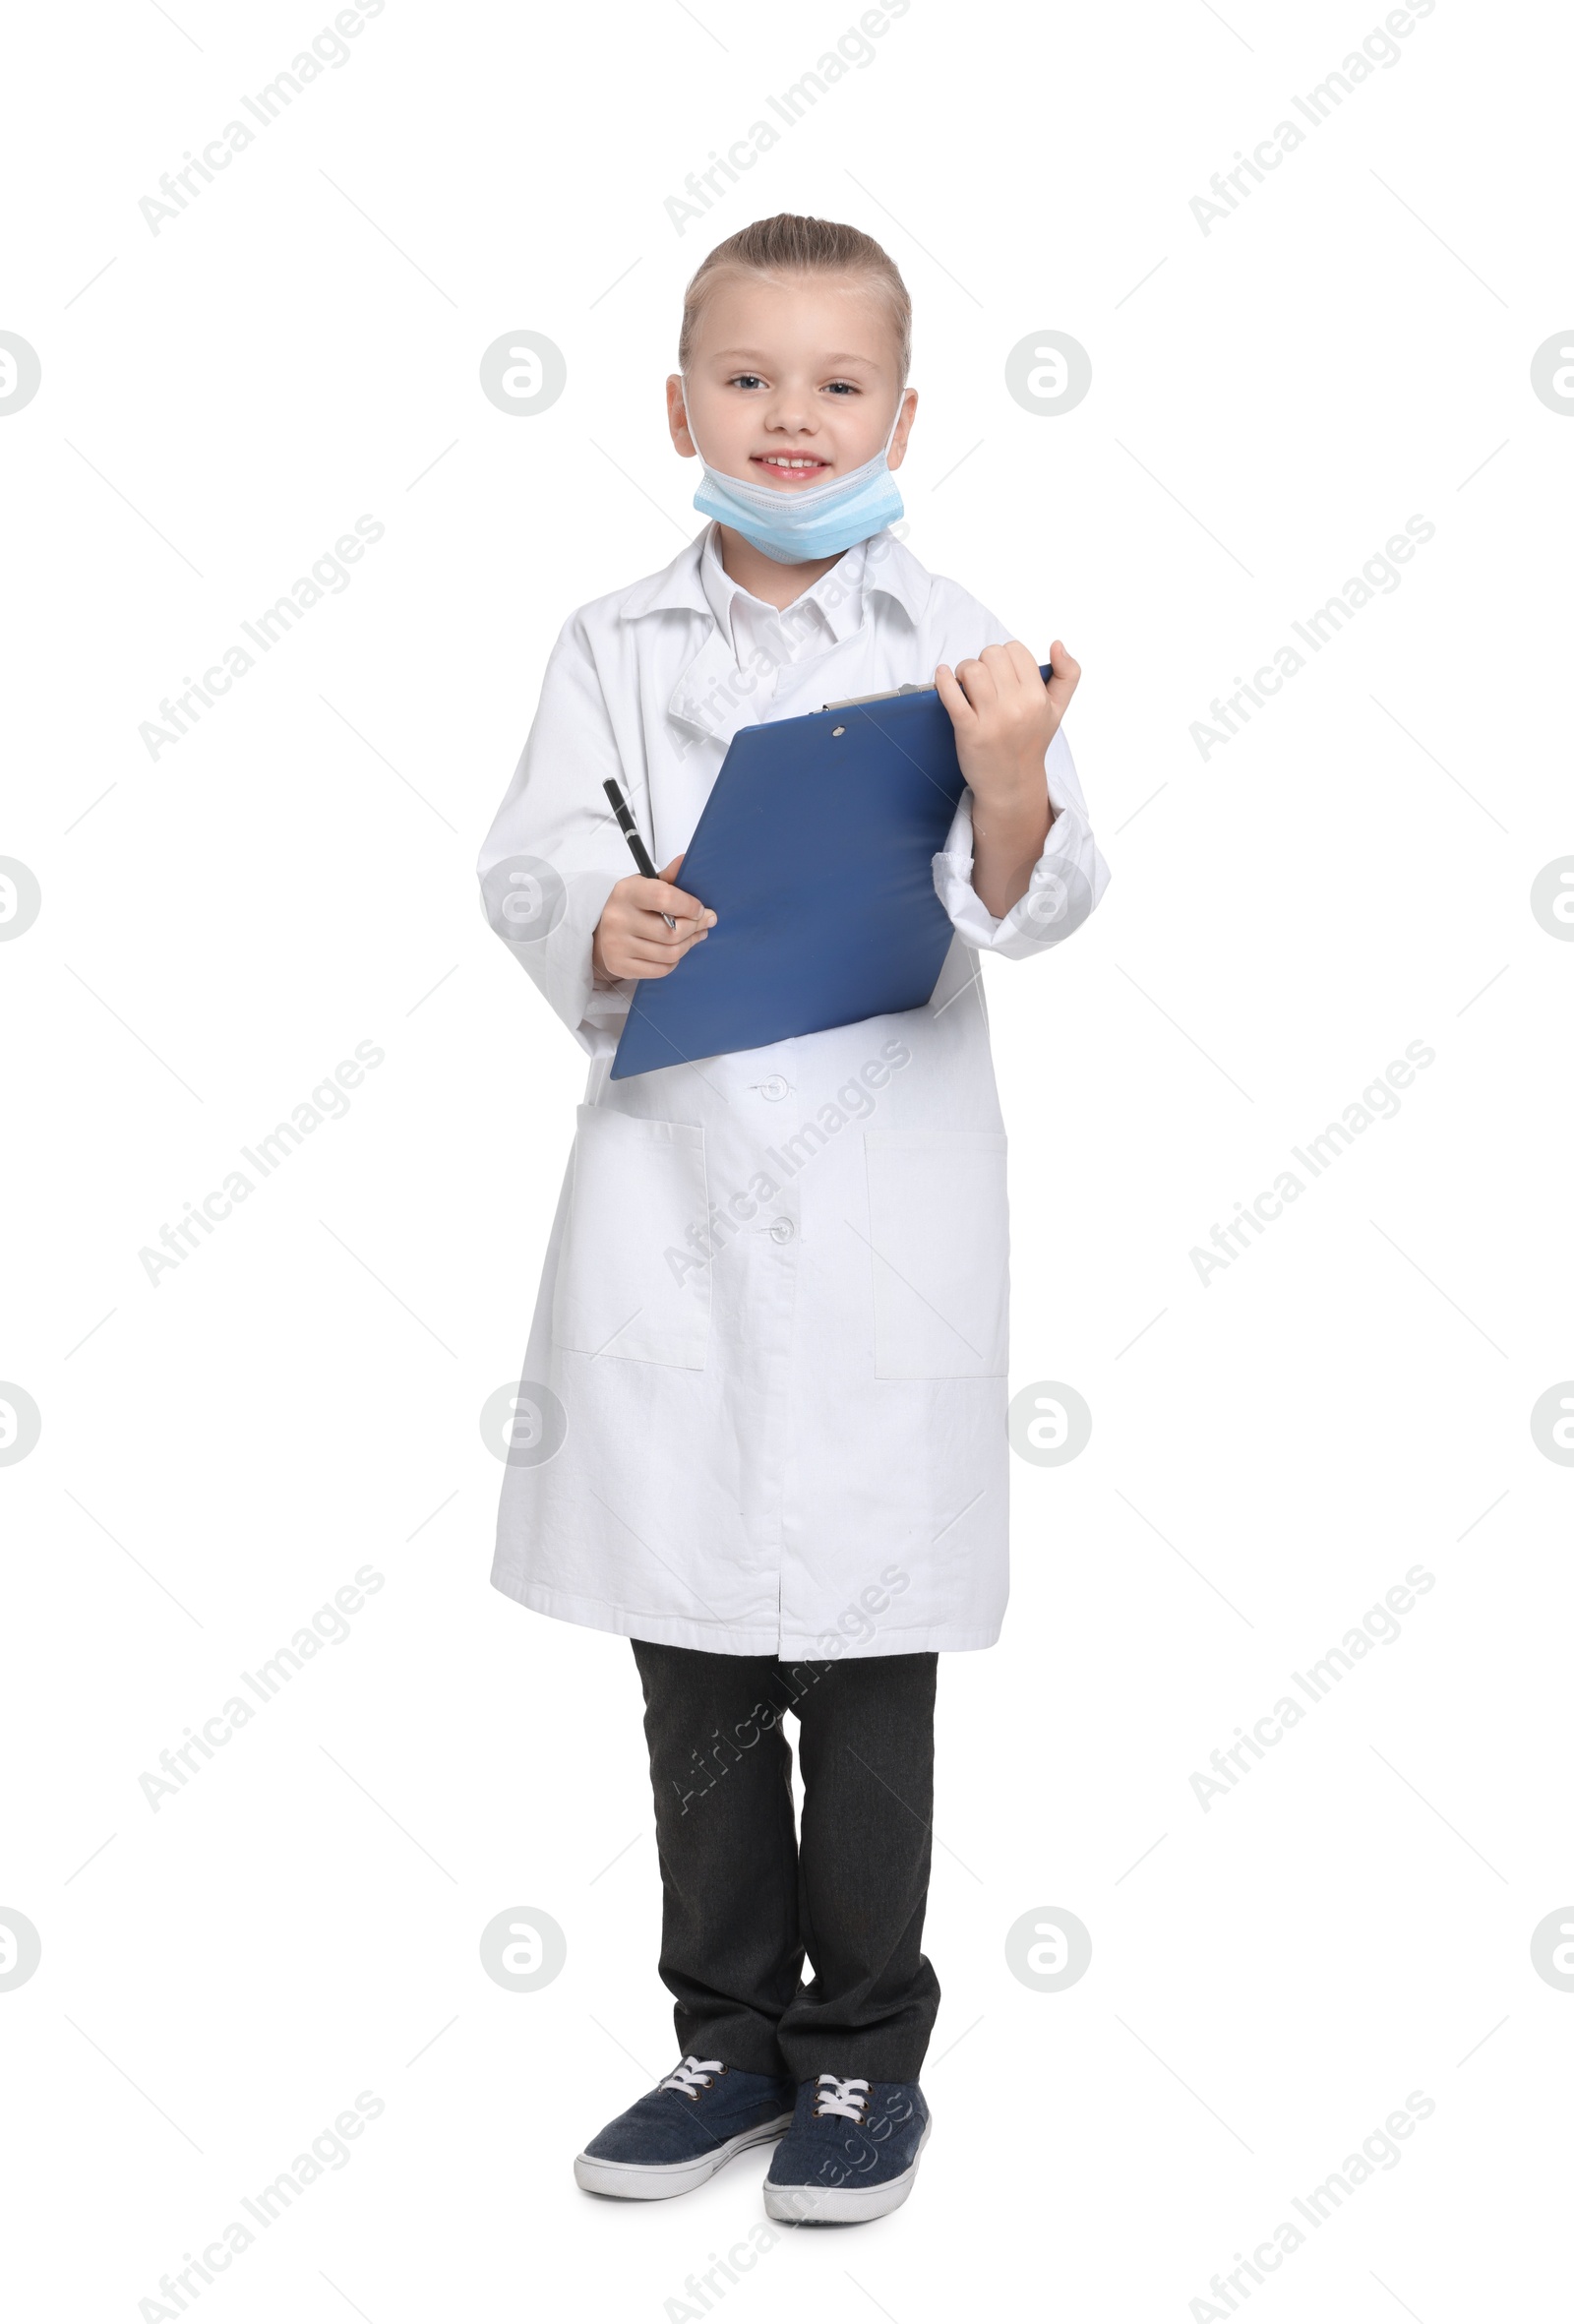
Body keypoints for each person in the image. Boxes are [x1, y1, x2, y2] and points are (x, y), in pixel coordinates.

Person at [475, 212, 1110, 2225]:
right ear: (677, 402)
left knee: (859, 1646)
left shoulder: (952, 635)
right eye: (745, 376)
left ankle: (862, 2059)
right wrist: (604, 906)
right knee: (694, 1650)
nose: (786, 414)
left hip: (877, 1187)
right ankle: (720, 2035)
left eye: (834, 382)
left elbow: (1040, 889)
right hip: (672, 1190)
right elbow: (528, 851)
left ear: (901, 413)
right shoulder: (612, 641)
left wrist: (1002, 778)